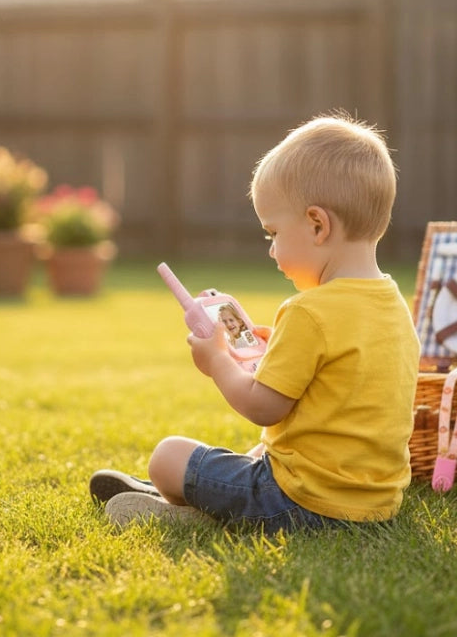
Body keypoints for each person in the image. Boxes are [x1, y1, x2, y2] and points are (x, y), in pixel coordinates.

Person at [90, 113, 420, 533]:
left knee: (168, 456)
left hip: (303, 503)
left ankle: (188, 510)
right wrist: (283, 345)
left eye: (273, 233)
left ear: (318, 225)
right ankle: (187, 498)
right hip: (375, 503)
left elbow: (263, 408)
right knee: (258, 454)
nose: (271, 250)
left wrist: (216, 361)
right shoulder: (394, 305)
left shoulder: (308, 311)